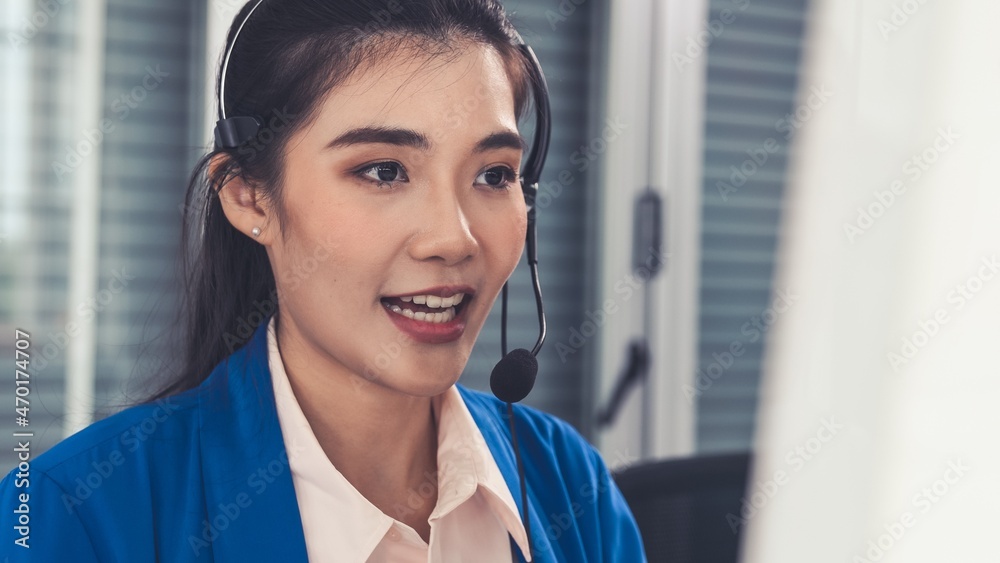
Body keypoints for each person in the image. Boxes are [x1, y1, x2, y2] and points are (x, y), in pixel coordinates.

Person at [0, 1, 646, 561]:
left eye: (494, 174)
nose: (454, 238)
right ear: (250, 197)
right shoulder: (78, 516)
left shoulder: (569, 484)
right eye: (385, 171)